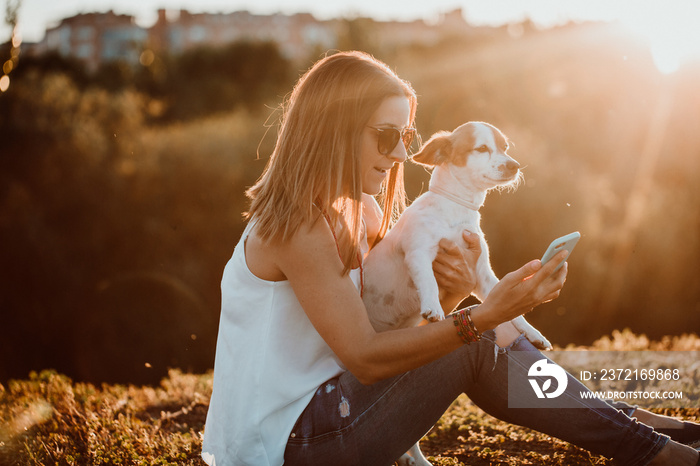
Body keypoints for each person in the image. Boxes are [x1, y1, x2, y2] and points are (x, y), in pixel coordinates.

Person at [201, 51, 700, 466]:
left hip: (336, 410)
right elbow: (367, 356)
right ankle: (652, 446)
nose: (399, 155)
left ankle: (631, 424)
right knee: (480, 338)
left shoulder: (365, 213)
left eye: (406, 137)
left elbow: (402, 321)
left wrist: (464, 290)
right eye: (385, 135)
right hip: (288, 444)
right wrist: (486, 314)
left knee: (484, 337)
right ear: (333, 128)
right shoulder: (294, 227)